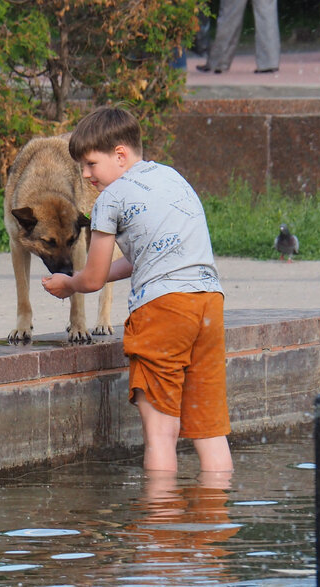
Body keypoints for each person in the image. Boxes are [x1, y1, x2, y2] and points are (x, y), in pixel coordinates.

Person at [41, 106, 232, 473]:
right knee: (209, 430)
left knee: (161, 433)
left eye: (90, 164)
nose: (85, 174)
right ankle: (213, 519)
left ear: (120, 155)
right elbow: (150, 255)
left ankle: (158, 524)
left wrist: (69, 283)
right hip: (208, 303)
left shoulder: (111, 199)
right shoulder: (172, 178)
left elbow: (92, 279)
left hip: (163, 311)